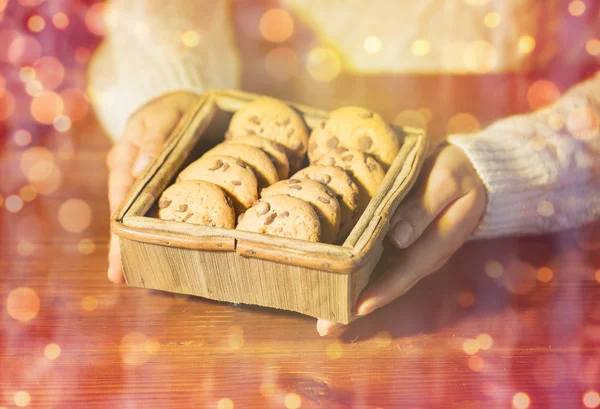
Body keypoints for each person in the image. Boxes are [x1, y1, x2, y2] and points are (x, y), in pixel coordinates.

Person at [90, 0, 600, 336]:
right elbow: (157, 14)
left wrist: (516, 163)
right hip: (217, 293)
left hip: (519, 275)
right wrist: (168, 87)